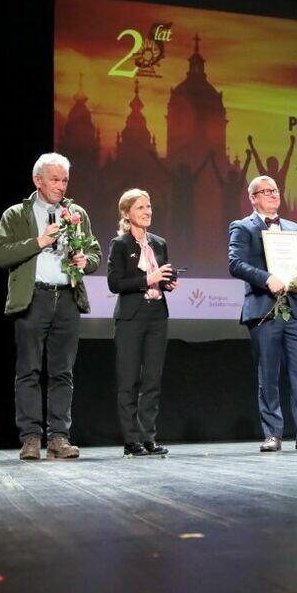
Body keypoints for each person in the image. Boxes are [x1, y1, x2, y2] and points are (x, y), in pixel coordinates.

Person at [0, 153, 100, 461]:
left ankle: (58, 438)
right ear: (37, 180)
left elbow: (94, 251)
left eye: (64, 180)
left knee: (62, 372)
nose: (61, 186)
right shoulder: (16, 214)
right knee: (28, 370)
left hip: (67, 298)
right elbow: (1, 255)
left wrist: (86, 261)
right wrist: (38, 242)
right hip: (33, 298)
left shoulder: (76, 213)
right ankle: (30, 438)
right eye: (55, 179)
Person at [228, 175, 297, 452]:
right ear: (253, 198)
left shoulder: (294, 228)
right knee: (268, 375)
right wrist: (267, 279)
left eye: (276, 190)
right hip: (263, 310)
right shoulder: (242, 227)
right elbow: (235, 263)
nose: (274, 194)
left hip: (295, 311)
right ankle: (272, 434)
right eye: (266, 191)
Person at [106, 189, 175, 457]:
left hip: (157, 316)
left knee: (152, 381)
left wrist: (167, 283)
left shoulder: (159, 243)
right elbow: (115, 283)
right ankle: (131, 440)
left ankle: (148, 438)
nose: (147, 211)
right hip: (131, 318)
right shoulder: (120, 244)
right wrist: (149, 279)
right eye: (141, 208)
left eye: (149, 206)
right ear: (126, 214)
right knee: (129, 381)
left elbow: (161, 278)